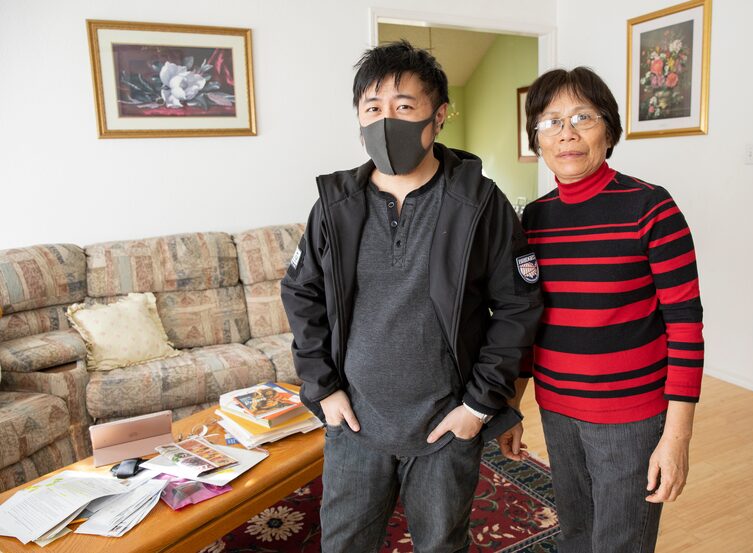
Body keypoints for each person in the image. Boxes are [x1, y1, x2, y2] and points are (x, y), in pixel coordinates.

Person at [280, 40, 542, 553]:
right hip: (355, 422)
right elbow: (300, 292)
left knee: (442, 544)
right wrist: (325, 390)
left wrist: (478, 407)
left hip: (445, 427)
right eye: (372, 108)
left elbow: (518, 305)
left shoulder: (478, 203)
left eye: (404, 107)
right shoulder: (335, 205)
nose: (385, 121)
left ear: (438, 116)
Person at [499, 67, 704, 553]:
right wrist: (513, 404)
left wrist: (676, 439)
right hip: (558, 409)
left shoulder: (651, 207)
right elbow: (529, 320)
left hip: (629, 418)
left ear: (608, 131)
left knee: (620, 543)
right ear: (537, 139)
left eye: (582, 117)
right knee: (576, 535)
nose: (566, 133)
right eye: (550, 121)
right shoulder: (535, 218)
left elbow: (686, 327)